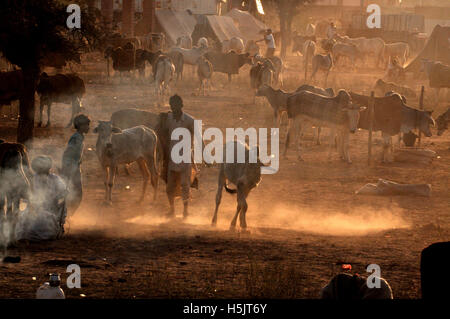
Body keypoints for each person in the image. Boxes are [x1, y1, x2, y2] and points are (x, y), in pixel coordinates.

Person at [15, 155, 67, 241]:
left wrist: (57, 201)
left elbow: (64, 194)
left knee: (35, 223)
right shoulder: (33, 179)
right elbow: (26, 196)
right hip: (36, 211)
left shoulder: (54, 179)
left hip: (48, 211)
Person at [164, 95, 200, 219]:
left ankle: (185, 211)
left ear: (181, 106)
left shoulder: (190, 120)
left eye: (176, 106)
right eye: (172, 106)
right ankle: (172, 210)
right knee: (169, 187)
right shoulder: (167, 119)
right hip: (172, 158)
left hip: (185, 158)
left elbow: (199, 137)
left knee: (185, 185)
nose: (174, 108)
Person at [60, 114, 90, 216]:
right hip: (72, 168)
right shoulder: (76, 138)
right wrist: (68, 169)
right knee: (76, 194)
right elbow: (68, 153)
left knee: (73, 194)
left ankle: (67, 216)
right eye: (86, 125)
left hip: (73, 167)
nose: (88, 127)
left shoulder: (80, 136)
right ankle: (66, 216)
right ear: (80, 125)